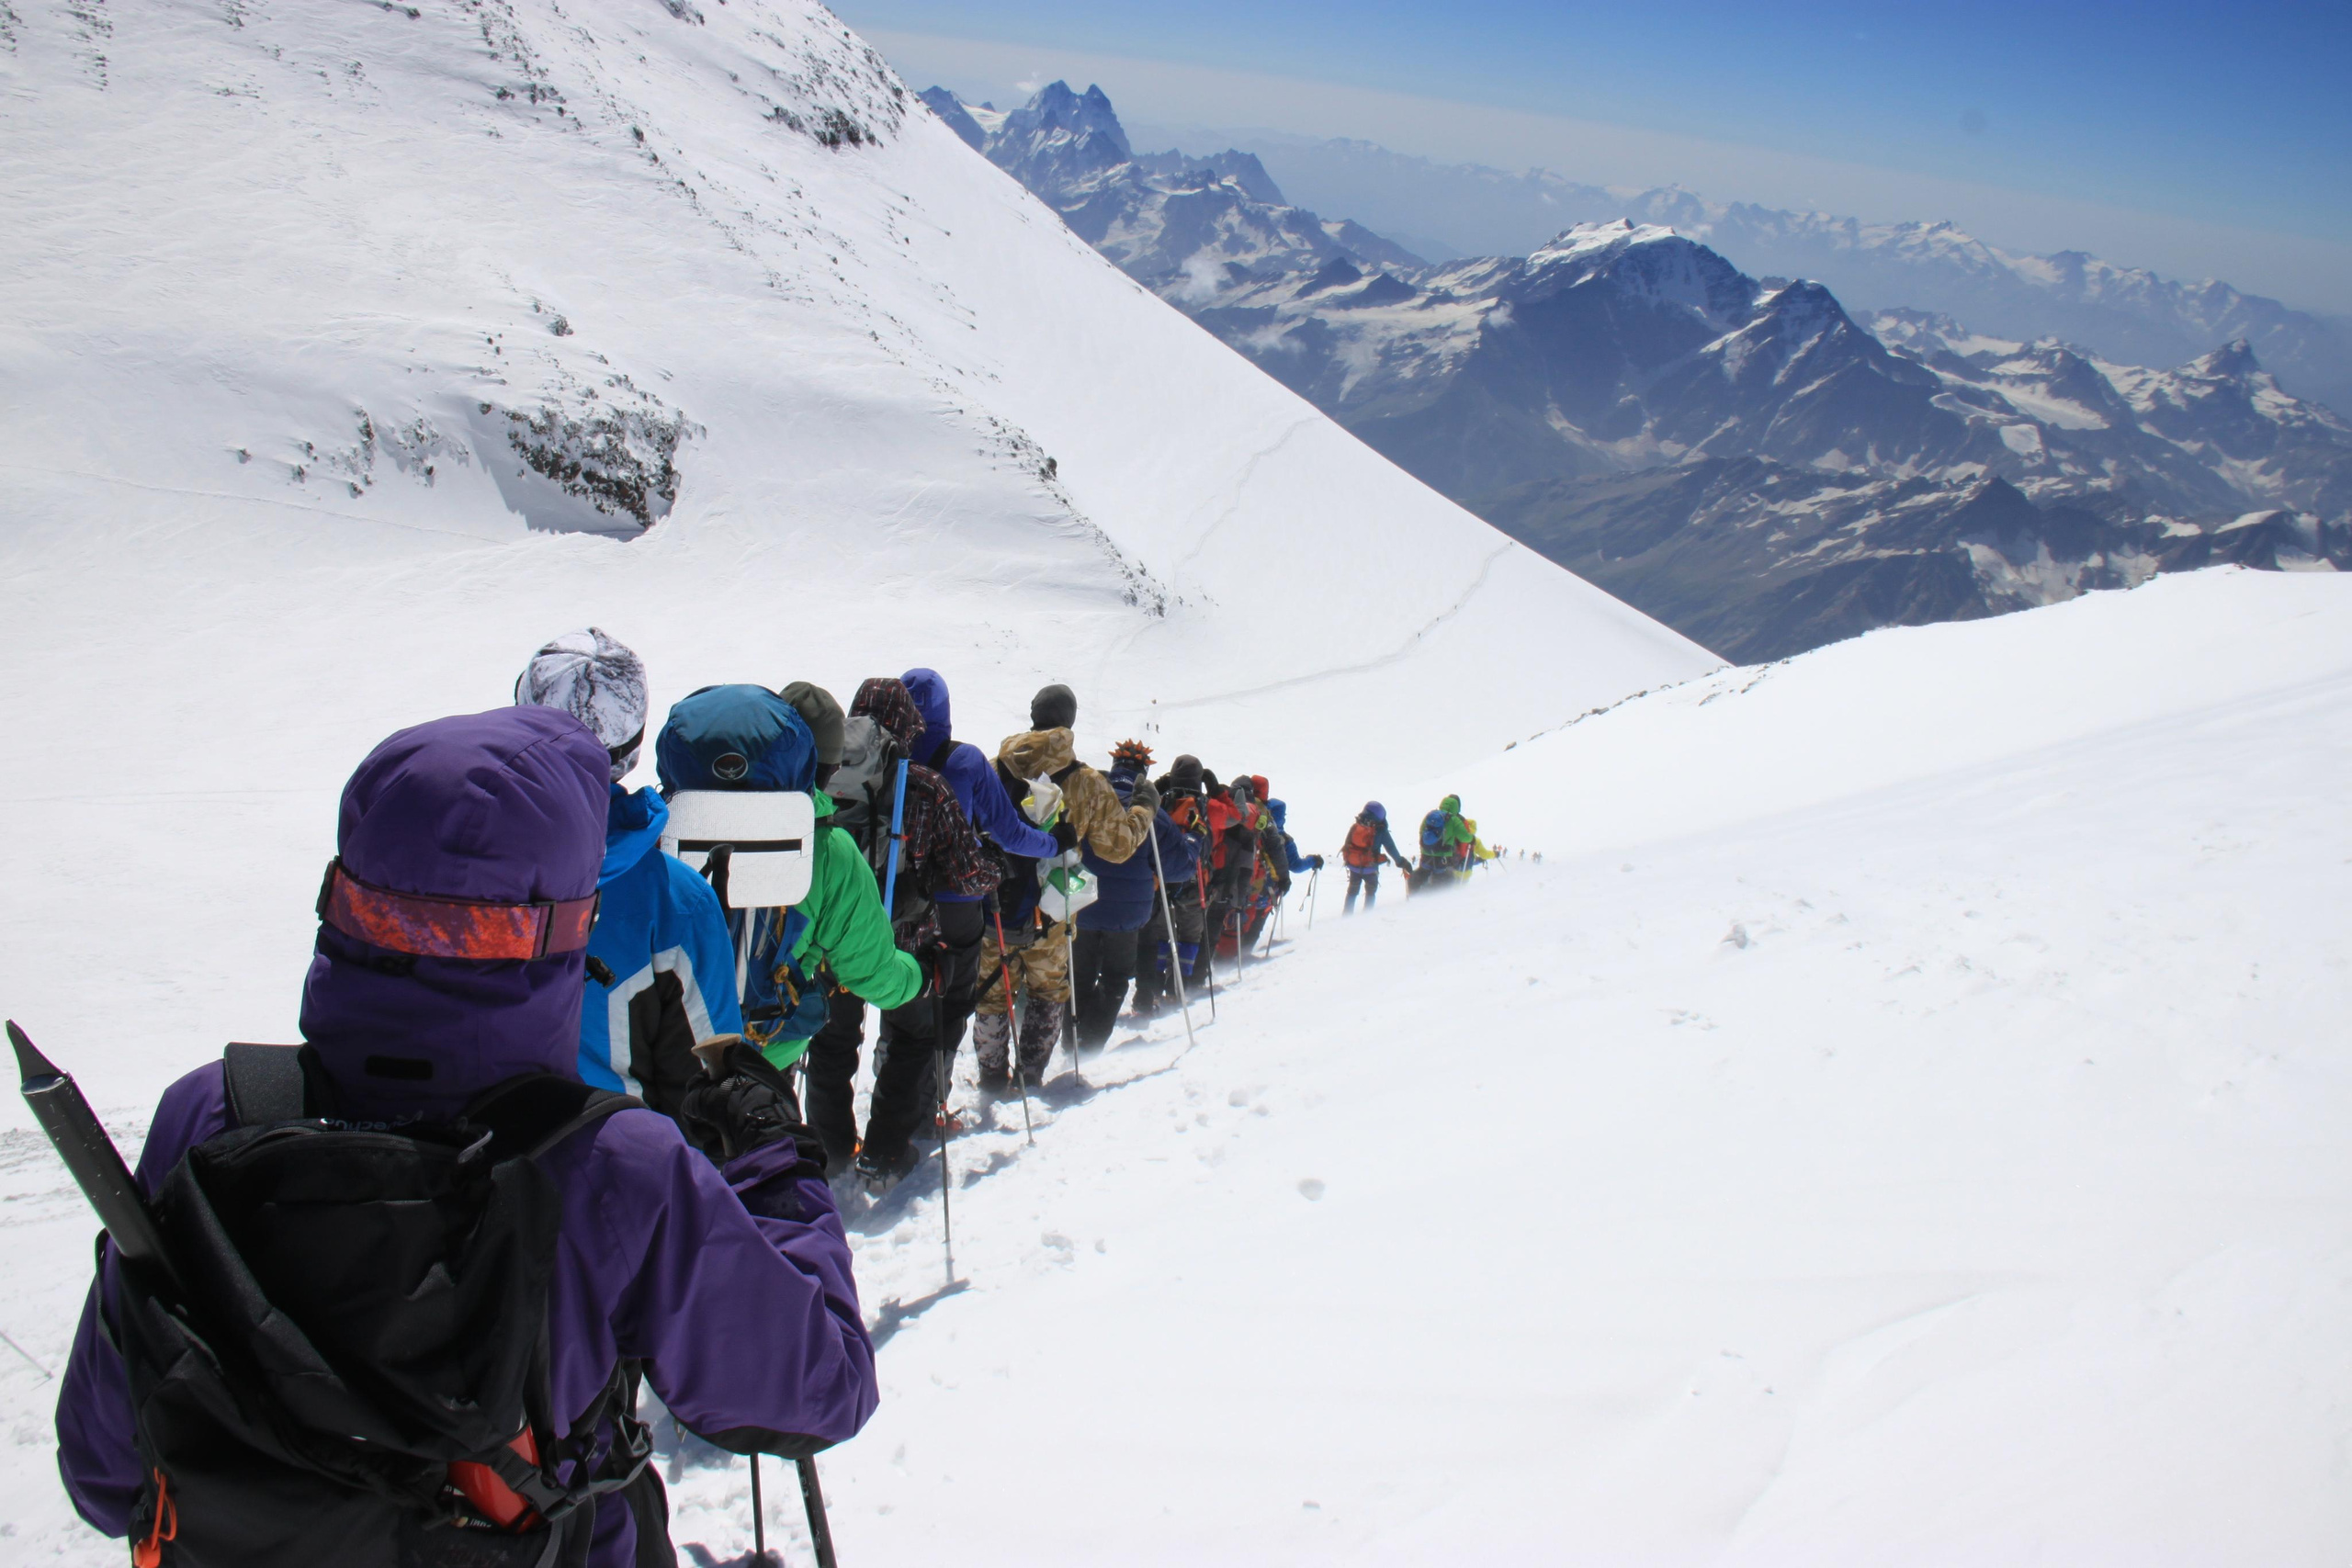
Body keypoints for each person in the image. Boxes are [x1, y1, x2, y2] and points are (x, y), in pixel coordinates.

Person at [53, 707, 878, 1567]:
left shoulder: (210, 1115)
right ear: (567, 926)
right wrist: (772, 1165)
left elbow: (105, 1473)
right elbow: (821, 1390)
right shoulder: (612, 1168)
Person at [514, 629, 743, 1120]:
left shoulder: (444, 854)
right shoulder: (678, 903)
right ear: (634, 744)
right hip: (604, 1174)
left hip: (449, 1169)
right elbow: (707, 1098)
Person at [655, 685, 919, 1093]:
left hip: (662, 1046)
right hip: (763, 1058)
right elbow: (872, 974)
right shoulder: (830, 853)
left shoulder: (653, 833)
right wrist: (917, 976)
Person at [856, 669, 1061, 1186]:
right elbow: (1010, 832)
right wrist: (1055, 844)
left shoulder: (878, 759)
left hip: (886, 900)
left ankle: (894, 1092)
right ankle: (927, 1106)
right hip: (956, 902)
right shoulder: (963, 761)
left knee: (903, 996)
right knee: (951, 1003)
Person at [802, 677, 997, 1176]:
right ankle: (886, 1150)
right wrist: (997, 868)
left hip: (827, 939)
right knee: (913, 1037)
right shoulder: (925, 784)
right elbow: (967, 875)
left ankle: (831, 1148)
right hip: (901, 943)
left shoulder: (819, 775)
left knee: (831, 1042)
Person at [973, 684, 1155, 1089]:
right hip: (1053, 905)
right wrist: (1144, 810)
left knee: (990, 991)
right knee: (1048, 990)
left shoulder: (991, 766)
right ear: (1070, 721)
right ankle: (1030, 1077)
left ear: (1033, 713)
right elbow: (1117, 847)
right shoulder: (1086, 781)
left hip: (994, 901)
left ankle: (990, 1077)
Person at [1134, 753, 1212, 1017]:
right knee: (1190, 934)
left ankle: (1154, 988)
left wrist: (1161, 784)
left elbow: (1147, 808)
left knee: (1160, 933)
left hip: (1163, 875)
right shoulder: (1203, 805)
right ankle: (1178, 988)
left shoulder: (1164, 799)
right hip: (1193, 878)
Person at [1340, 800, 1412, 913]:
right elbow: (1391, 848)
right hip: (1370, 868)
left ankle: (1346, 916)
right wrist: (1401, 862)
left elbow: (1348, 844)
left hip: (1354, 866)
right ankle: (1367, 916)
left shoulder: (1356, 825)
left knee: (1352, 891)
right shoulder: (1381, 830)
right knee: (1370, 891)